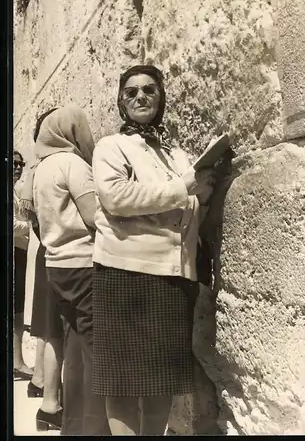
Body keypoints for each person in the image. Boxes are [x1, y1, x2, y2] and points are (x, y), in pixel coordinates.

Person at [91, 64, 216, 435]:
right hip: (123, 273)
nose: (140, 97)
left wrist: (201, 197)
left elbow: (186, 205)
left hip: (173, 276)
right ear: (120, 101)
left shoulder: (176, 155)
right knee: (123, 381)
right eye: (131, 92)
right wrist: (185, 188)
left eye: (149, 90)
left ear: (161, 98)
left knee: (163, 380)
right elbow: (116, 197)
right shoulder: (111, 147)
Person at [31, 106, 110, 435]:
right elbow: (93, 217)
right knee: (98, 354)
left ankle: (74, 427)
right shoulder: (72, 164)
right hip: (82, 266)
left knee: (75, 350)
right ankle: (98, 428)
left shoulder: (41, 169)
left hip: (57, 267)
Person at [20, 109, 64, 430]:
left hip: (43, 250)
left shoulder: (33, 169)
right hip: (57, 251)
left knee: (46, 324)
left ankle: (38, 381)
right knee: (54, 329)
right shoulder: (49, 167)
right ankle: (50, 402)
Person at [13, 150, 34, 379]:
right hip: (14, 252)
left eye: (21, 164)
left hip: (19, 252)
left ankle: (17, 360)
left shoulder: (16, 193)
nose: (18, 168)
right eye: (14, 164)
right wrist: (30, 226)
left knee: (18, 309)